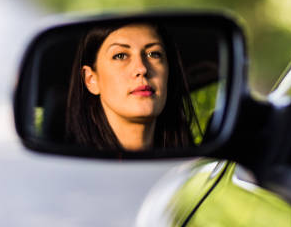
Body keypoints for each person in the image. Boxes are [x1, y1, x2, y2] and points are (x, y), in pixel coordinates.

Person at [65, 22, 198, 152]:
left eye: (154, 54)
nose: (142, 68)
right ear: (91, 80)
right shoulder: (71, 167)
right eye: (120, 56)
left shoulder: (190, 164)